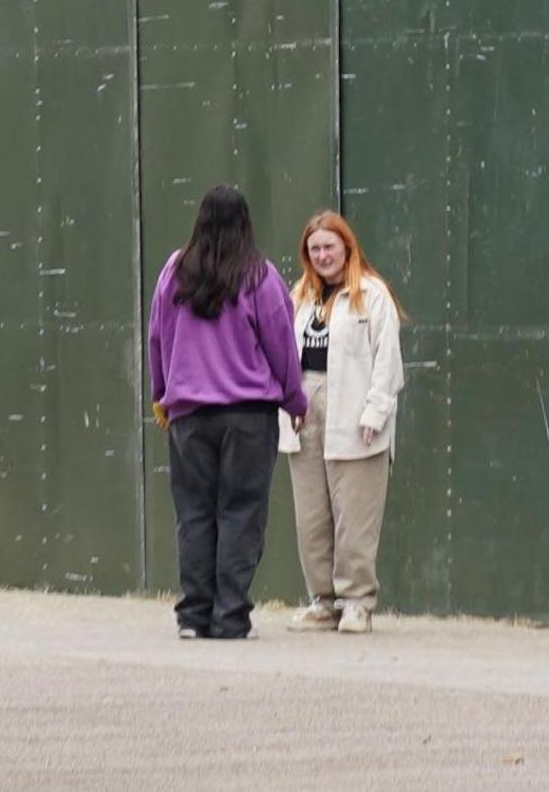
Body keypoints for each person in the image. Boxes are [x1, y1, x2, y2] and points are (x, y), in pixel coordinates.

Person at [145, 184, 305, 639]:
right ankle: (230, 616)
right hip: (248, 415)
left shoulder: (174, 273)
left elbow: (158, 338)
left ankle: (193, 617)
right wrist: (295, 400)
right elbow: (281, 344)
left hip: (189, 414)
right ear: (245, 223)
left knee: (193, 513)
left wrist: (163, 395)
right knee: (240, 512)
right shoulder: (260, 275)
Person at [284, 210, 405, 633]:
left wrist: (375, 411)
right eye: (314, 249)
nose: (322, 255)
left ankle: (356, 602)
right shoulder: (300, 296)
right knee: (312, 515)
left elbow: (387, 362)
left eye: (329, 247)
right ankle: (323, 601)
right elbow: (283, 356)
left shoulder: (371, 295)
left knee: (355, 514)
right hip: (306, 411)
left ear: (347, 247)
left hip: (354, 413)